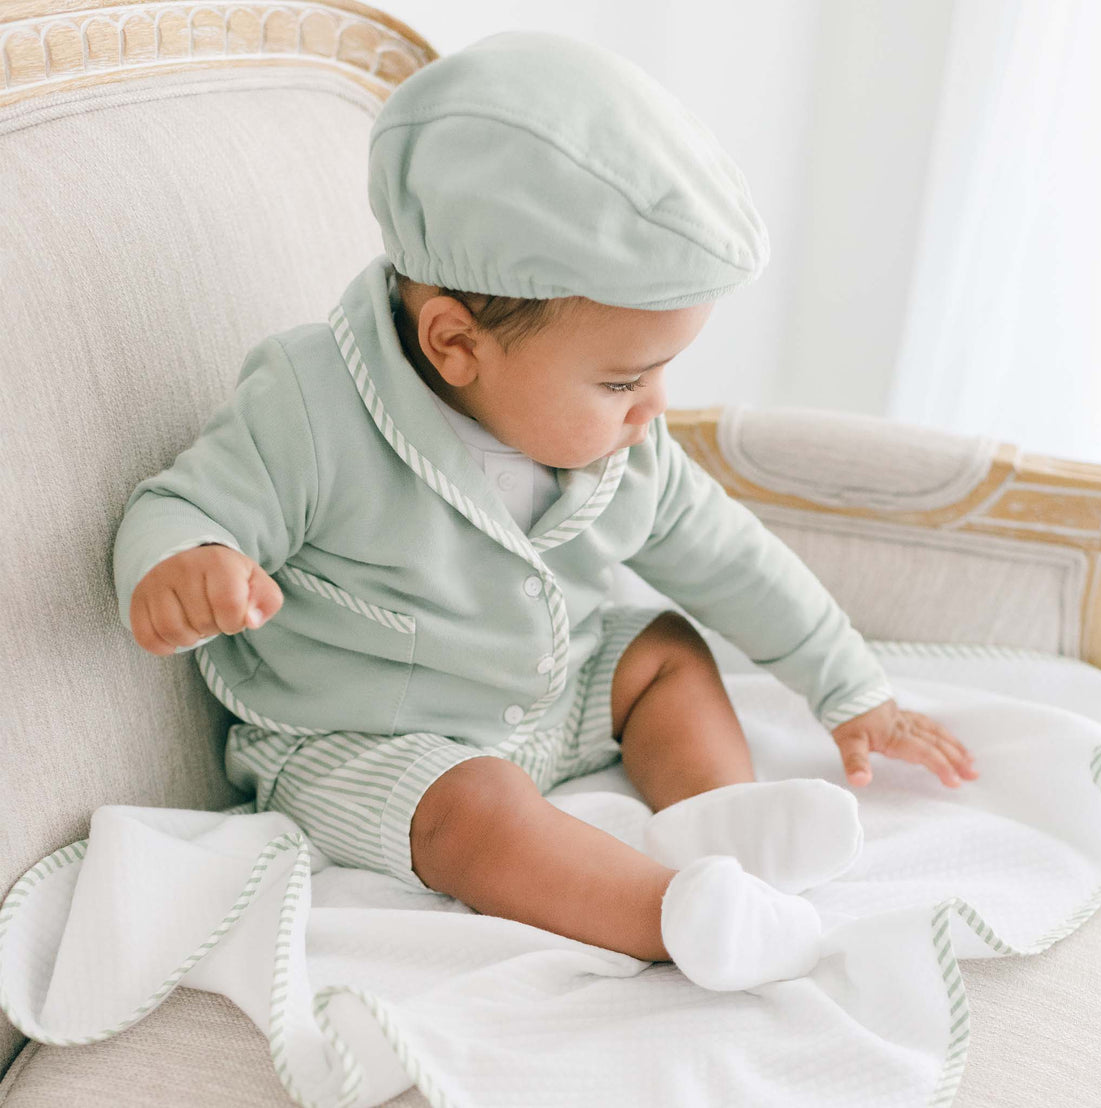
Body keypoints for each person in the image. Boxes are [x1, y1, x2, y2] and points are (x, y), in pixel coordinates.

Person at [113, 30, 977, 992]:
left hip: (552, 696)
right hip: (369, 740)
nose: (654, 409)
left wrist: (850, 687)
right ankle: (670, 914)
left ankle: (718, 816)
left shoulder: (624, 448)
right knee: (474, 815)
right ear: (454, 343)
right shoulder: (313, 407)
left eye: (661, 373)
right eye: (622, 380)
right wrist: (185, 561)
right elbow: (179, 503)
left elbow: (730, 556)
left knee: (662, 648)